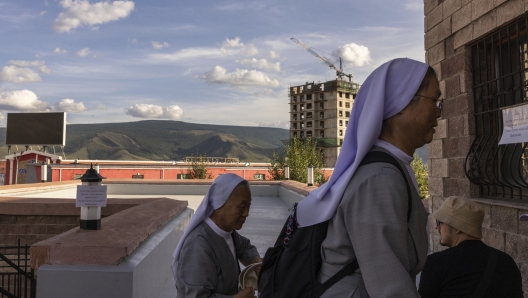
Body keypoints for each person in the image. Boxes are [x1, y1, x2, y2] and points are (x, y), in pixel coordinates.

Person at [295, 58, 440, 297]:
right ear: (402, 102)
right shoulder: (380, 178)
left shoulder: (390, 166)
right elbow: (389, 287)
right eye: (434, 100)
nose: (439, 112)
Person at [172, 173, 262, 298]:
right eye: (241, 207)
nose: (246, 213)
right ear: (219, 205)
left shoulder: (227, 231)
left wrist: (255, 261)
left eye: (248, 206)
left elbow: (245, 247)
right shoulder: (198, 245)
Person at [418, 196, 524, 298]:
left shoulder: (436, 263)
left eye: (439, 222)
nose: (437, 227)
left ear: (457, 227)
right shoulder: (506, 261)